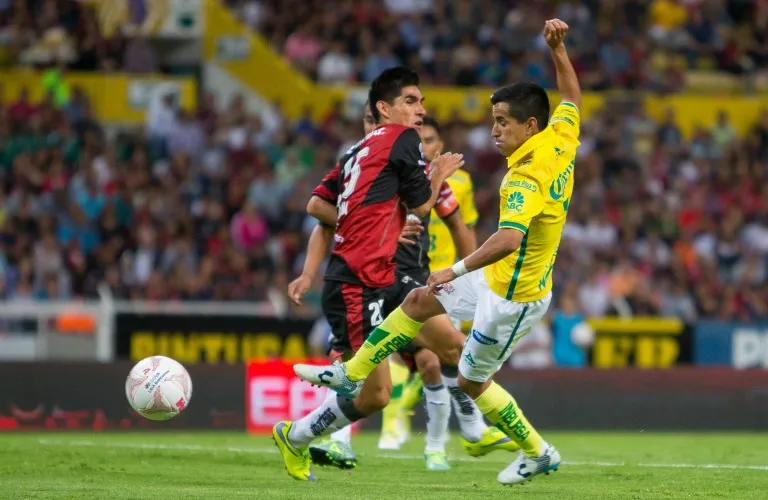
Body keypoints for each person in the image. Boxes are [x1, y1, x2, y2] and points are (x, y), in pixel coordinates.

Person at [294, 19, 581, 486]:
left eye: (502, 122)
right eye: (493, 119)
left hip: (515, 295)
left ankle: (538, 451)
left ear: (530, 125)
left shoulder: (525, 177)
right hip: (494, 278)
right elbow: (571, 98)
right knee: (417, 302)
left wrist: (455, 268)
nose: (493, 130)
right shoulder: (561, 136)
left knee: (470, 380)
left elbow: (508, 239)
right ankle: (353, 373)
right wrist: (558, 49)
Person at [272, 67, 465, 481]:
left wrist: (378, 225)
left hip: (383, 276)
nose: (420, 109)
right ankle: (299, 434)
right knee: (375, 394)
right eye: (410, 101)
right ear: (384, 108)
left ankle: (474, 431)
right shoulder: (403, 138)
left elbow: (318, 204)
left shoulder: (355, 151)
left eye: (422, 101)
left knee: (453, 348)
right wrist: (437, 175)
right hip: (356, 283)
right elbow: (422, 206)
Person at [300, 109, 517, 472]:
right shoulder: (359, 171)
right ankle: (328, 438)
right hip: (363, 280)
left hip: (412, 280)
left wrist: (472, 275)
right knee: (360, 370)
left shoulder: (434, 179)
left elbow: (458, 224)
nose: (421, 144)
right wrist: (310, 272)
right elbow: (320, 215)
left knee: (442, 356)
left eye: (427, 138)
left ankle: (453, 439)